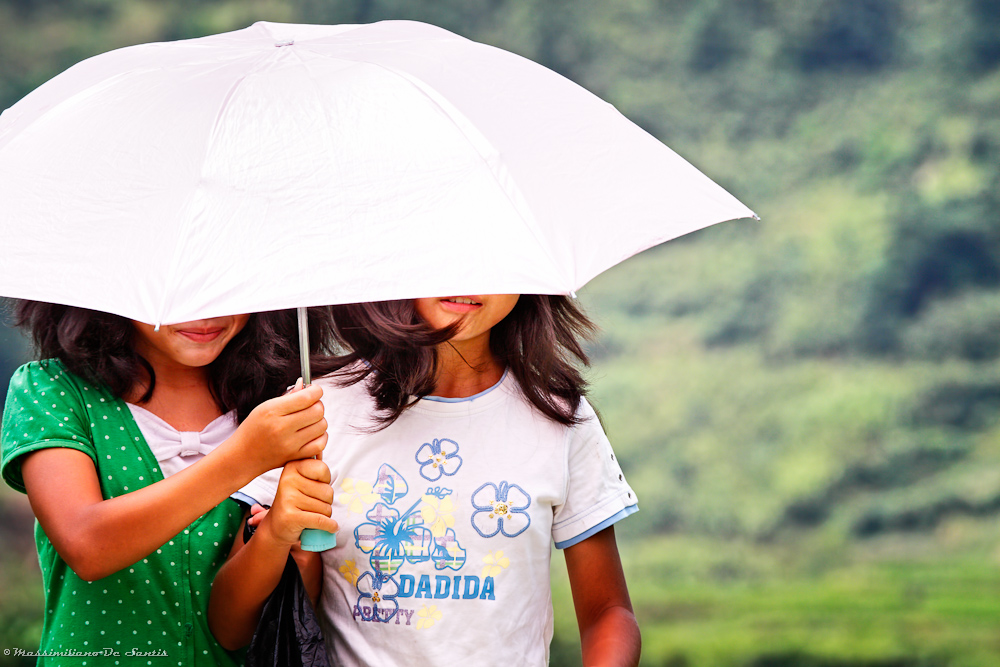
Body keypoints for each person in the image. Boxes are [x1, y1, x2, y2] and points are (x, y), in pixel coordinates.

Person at [210, 294, 641, 666]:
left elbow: (607, 611)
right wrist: (276, 535)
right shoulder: (317, 409)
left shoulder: (561, 417)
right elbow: (230, 628)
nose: (466, 279)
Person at [0, 302, 336, 667]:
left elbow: (249, 626)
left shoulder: (289, 404)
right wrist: (246, 456)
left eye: (223, 288)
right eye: (183, 294)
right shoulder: (52, 389)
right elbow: (86, 544)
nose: (206, 314)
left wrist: (279, 537)